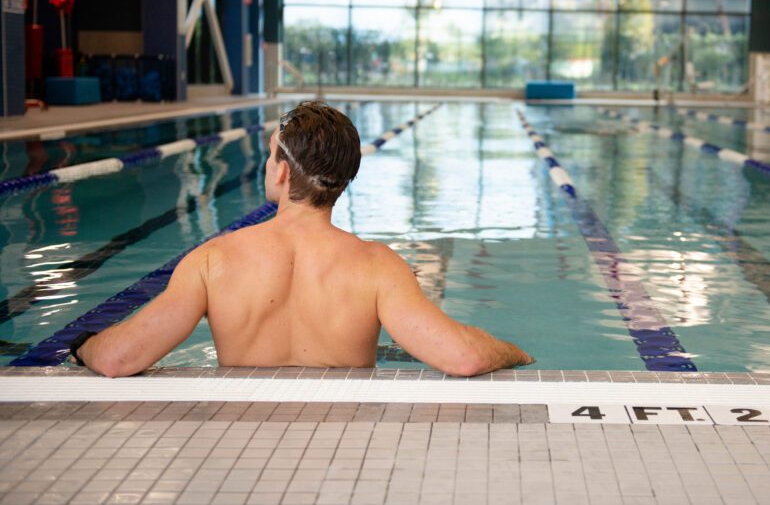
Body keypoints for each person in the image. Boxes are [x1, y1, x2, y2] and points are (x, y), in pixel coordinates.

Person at [71, 101, 533, 377]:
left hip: (237, 448)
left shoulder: (213, 261)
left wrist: (82, 346)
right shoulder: (376, 266)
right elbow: (463, 358)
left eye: (271, 156)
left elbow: (117, 359)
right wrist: (514, 351)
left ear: (283, 171)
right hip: (342, 449)